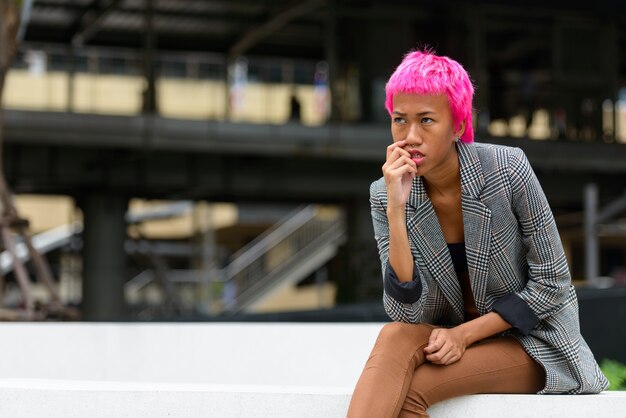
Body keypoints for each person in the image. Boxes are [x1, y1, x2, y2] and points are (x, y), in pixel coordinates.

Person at [346, 49, 608, 418]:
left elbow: (552, 282)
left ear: (457, 125)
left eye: (426, 120)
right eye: (399, 120)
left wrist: (463, 335)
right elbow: (405, 311)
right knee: (393, 335)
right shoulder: (384, 193)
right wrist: (397, 210)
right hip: (447, 339)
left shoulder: (507, 169)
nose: (410, 136)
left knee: (412, 392)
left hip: (531, 342)